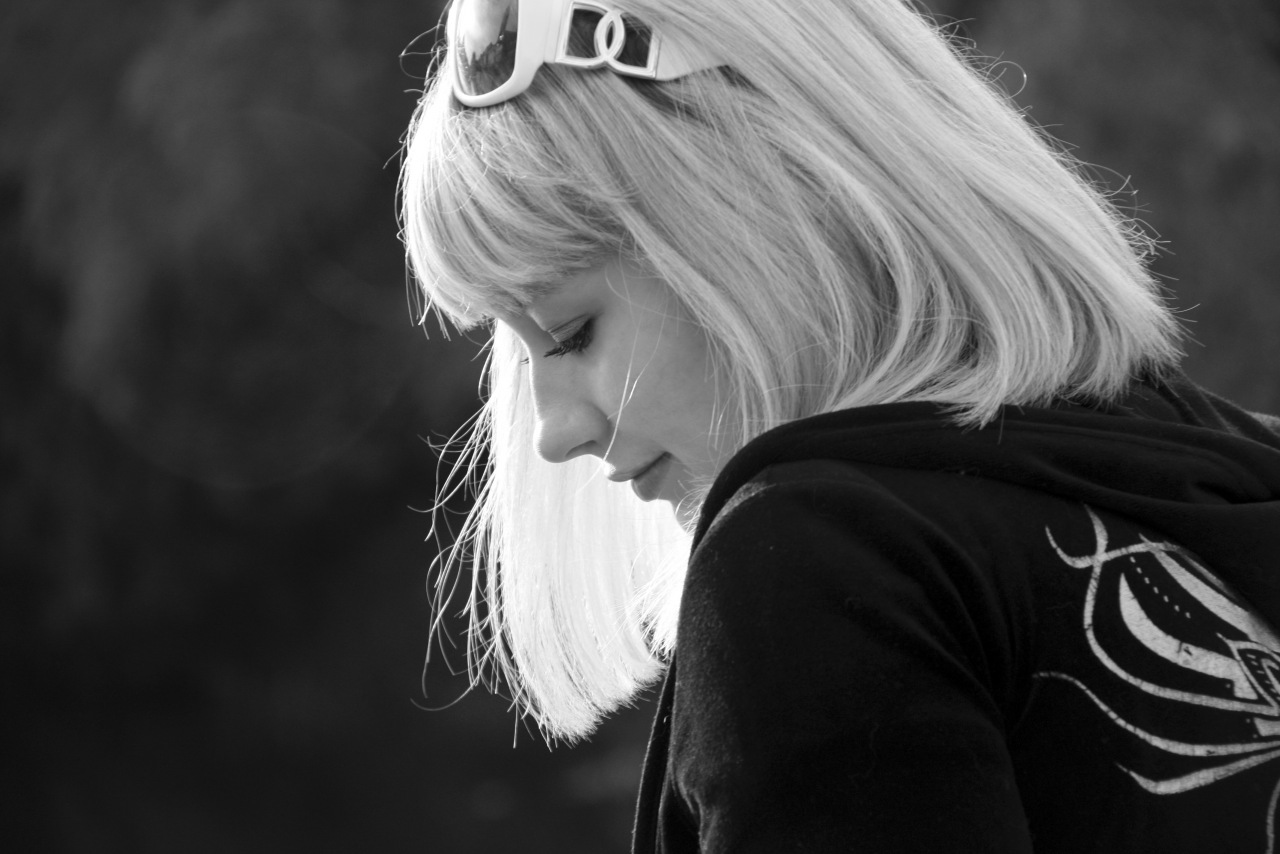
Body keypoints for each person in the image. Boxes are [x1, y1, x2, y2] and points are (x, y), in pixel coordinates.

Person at [399, 0, 1280, 850]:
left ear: (755, 207)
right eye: (522, 359)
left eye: (571, 333)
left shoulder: (810, 566)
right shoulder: (1240, 458)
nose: (551, 433)